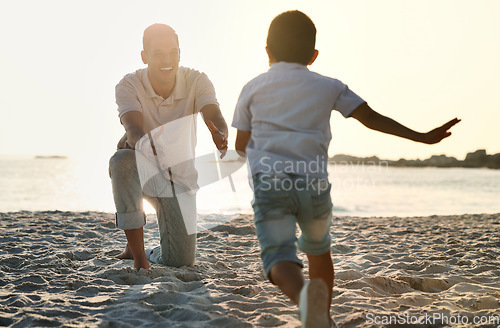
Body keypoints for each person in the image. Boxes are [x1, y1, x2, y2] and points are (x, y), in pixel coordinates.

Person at [232, 10, 460, 328]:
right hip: (314, 187)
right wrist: (421, 137)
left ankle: (304, 300)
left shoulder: (252, 88)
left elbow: (241, 144)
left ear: (267, 51)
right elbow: (372, 118)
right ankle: (322, 318)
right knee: (319, 251)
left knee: (278, 257)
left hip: (271, 185)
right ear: (313, 55)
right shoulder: (330, 86)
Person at [109, 23, 228, 270]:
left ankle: (150, 252)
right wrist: (148, 149)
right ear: (144, 57)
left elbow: (213, 113)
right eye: (158, 54)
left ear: (180, 53)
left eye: (173, 53)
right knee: (121, 161)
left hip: (179, 180)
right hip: (142, 167)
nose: (168, 60)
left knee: (180, 261)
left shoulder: (196, 80)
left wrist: (220, 133)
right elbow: (133, 128)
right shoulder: (128, 85)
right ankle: (138, 257)